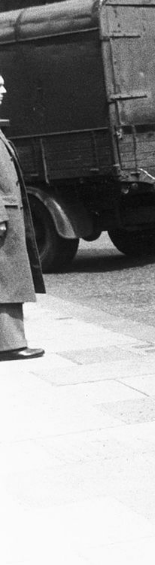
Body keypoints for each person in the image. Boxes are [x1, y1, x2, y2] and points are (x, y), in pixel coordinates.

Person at [0, 75, 45, 361]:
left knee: (9, 278)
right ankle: (9, 345)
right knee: (5, 280)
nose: (4, 90)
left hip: (9, 213)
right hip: (4, 215)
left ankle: (12, 341)